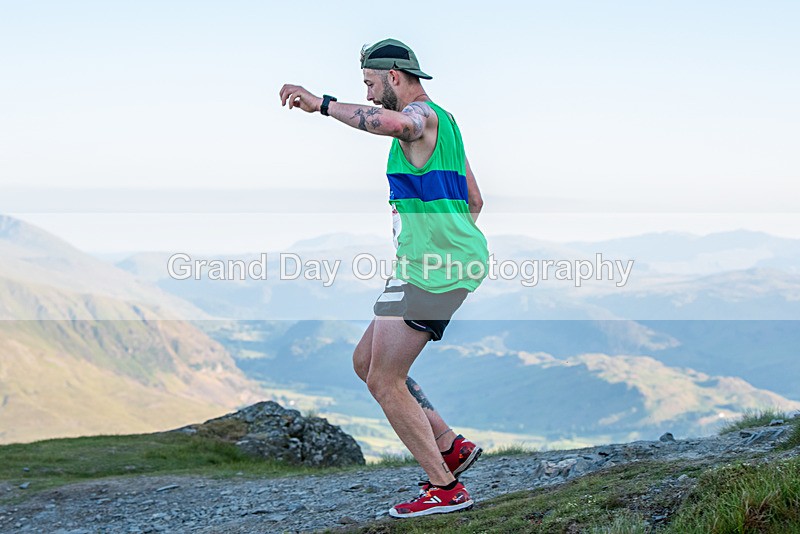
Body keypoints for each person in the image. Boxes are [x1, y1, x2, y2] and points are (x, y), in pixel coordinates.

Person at [279, 38, 490, 518]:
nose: (371, 97)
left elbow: (396, 121)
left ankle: (445, 488)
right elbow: (474, 200)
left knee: (384, 379)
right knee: (365, 362)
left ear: (394, 77)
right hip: (420, 266)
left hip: (434, 270)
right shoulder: (446, 127)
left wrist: (323, 105)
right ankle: (448, 446)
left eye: (371, 85)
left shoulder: (421, 118)